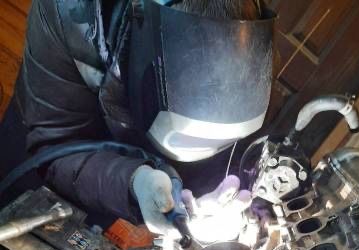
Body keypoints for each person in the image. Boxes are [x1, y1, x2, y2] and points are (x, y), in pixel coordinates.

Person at [1, 0, 276, 230]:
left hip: (137, 177)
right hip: (49, 142)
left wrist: (219, 194)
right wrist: (136, 182)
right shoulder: (67, 11)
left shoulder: (247, 41)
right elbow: (56, 144)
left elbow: (218, 153)